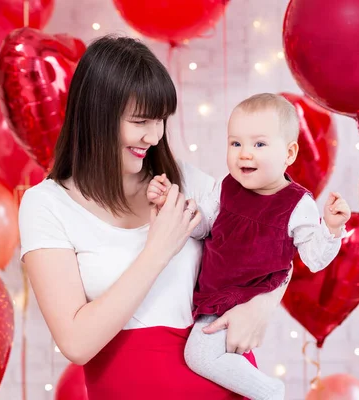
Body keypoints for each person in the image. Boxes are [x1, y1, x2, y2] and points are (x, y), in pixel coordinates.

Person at [18, 36, 289, 399]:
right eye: (141, 120)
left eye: (161, 120)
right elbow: (77, 343)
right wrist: (158, 249)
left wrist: (262, 305)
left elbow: (276, 235)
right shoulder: (47, 205)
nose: (155, 135)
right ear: (96, 117)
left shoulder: (186, 181)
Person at [147, 93, 352, 400]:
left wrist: (333, 228)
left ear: (289, 153)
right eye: (236, 143)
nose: (244, 154)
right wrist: (171, 204)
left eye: (259, 145)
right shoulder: (226, 186)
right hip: (212, 295)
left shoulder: (297, 204)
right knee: (204, 361)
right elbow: (202, 227)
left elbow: (314, 259)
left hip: (244, 298)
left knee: (199, 356)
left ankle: (270, 392)